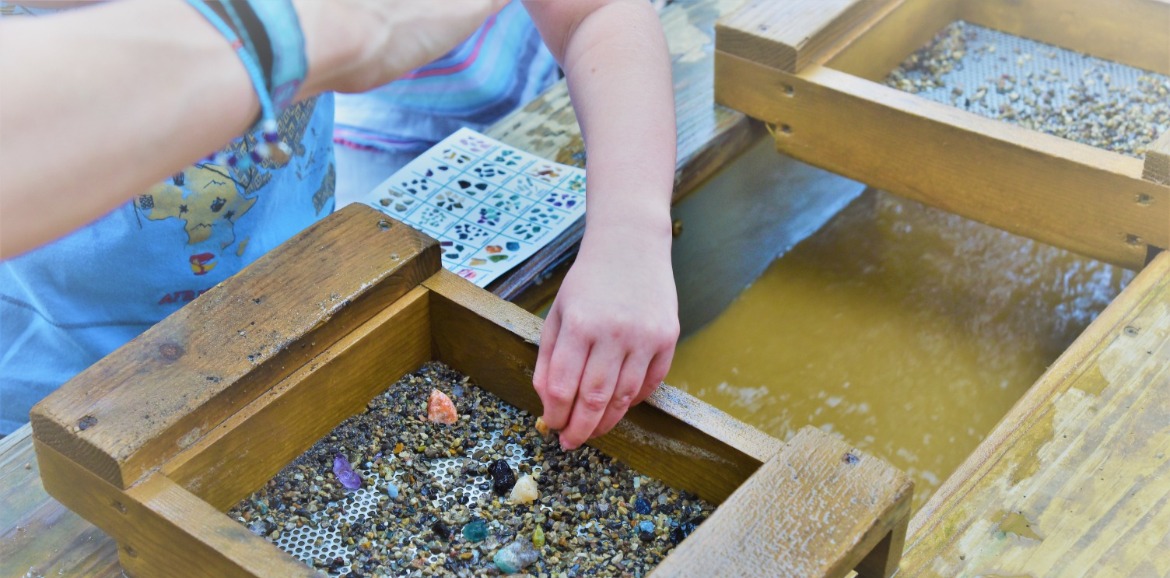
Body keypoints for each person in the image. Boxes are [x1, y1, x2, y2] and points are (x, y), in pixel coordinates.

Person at [0, 0, 679, 451]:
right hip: (48, 410)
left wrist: (628, 232)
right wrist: (325, 34)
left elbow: (594, 11)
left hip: (300, 315)